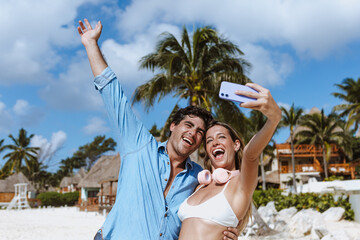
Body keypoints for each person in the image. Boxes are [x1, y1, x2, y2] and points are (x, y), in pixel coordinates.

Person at [77, 19, 239, 240]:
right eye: (188, 125)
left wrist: (225, 233)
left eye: (200, 132)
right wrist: (91, 45)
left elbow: (208, 213)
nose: (193, 133)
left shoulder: (198, 178)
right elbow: (113, 95)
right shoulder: (139, 145)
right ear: (173, 126)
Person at [178, 83, 281, 239]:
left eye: (221, 137)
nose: (215, 143)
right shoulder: (198, 186)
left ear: (236, 144)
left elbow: (250, 156)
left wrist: (273, 119)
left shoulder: (241, 184)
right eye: (209, 140)